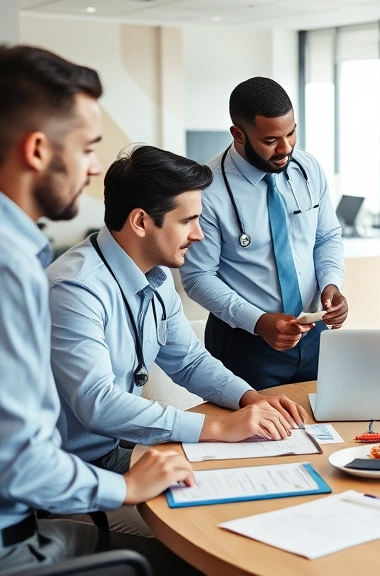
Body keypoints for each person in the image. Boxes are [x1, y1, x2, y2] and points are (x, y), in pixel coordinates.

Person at [0, 45, 194, 573]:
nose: (92, 170)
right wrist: (128, 487)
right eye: (87, 148)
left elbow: (188, 360)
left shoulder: (23, 254)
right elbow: (23, 464)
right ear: (38, 150)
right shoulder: (19, 266)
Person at [48, 144, 308, 481]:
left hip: (119, 452)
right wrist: (217, 426)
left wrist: (250, 399)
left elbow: (189, 361)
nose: (199, 235)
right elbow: (97, 403)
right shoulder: (74, 289)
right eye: (188, 220)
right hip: (67, 475)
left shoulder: (155, 276)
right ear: (141, 221)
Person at [180, 77, 348, 390]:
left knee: (323, 429)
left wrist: (332, 283)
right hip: (246, 344)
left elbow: (326, 237)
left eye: (291, 133)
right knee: (257, 436)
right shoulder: (207, 190)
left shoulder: (308, 170)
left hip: (315, 336)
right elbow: (198, 277)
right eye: (271, 140)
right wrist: (258, 322)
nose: (286, 148)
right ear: (238, 134)